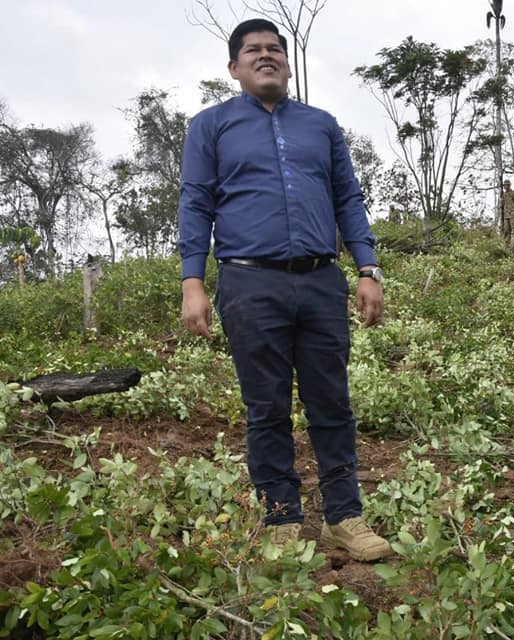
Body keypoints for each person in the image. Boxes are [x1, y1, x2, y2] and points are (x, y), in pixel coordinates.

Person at [178, 18, 392, 562]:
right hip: (249, 281)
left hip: (322, 280)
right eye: (254, 50)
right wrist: (193, 283)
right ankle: (281, 519)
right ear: (234, 67)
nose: (266, 56)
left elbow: (349, 199)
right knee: (265, 407)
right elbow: (196, 203)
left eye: (275, 49)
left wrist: (367, 270)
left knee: (332, 402)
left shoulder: (320, 125)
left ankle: (344, 517)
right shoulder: (211, 126)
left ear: (288, 62)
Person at [501, 179, 514, 243]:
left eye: (507, 185)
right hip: (506, 215)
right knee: (506, 230)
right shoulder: (504, 195)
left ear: (509, 185)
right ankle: (506, 245)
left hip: (513, 214)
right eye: (505, 185)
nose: (506, 186)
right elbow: (503, 204)